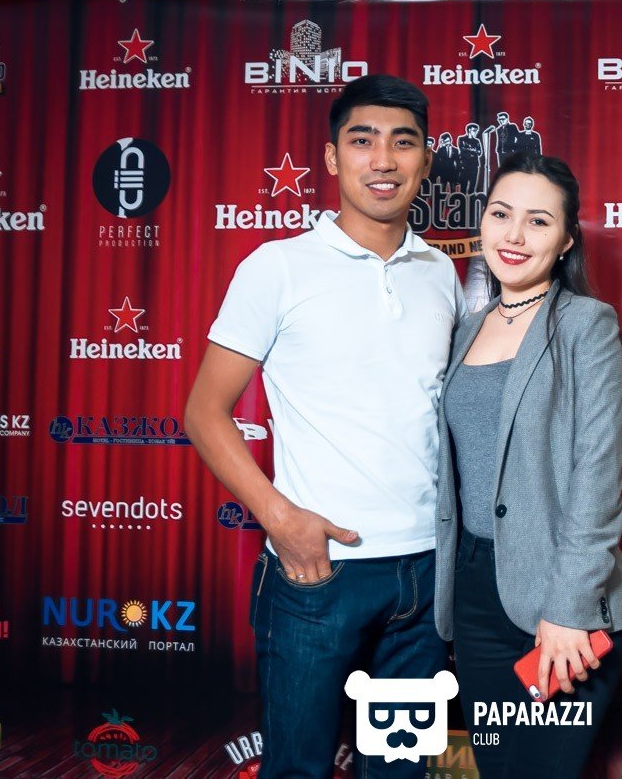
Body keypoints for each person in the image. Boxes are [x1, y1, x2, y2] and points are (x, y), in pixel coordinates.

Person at [185, 74, 462, 779]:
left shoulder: (441, 273)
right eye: (363, 141)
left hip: (428, 574)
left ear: (426, 160)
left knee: (399, 772)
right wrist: (282, 520)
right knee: (297, 769)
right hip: (318, 570)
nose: (384, 160)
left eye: (403, 142)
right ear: (334, 158)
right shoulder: (277, 267)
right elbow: (204, 412)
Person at [434, 153, 622, 778]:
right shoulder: (464, 330)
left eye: (538, 221)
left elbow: (597, 476)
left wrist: (568, 609)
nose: (515, 235)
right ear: (482, 222)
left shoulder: (585, 324)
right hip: (474, 591)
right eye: (501, 214)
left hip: (560, 593)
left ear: (566, 241)